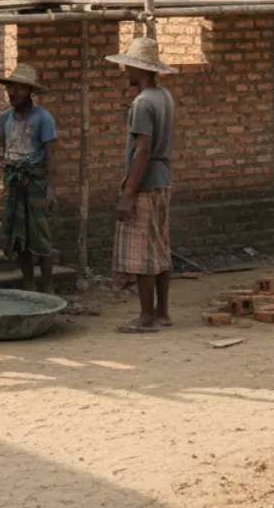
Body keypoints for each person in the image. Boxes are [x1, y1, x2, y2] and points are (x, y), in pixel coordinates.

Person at [106, 35, 177, 334]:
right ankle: (162, 311)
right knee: (160, 246)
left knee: (143, 252)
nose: (126, 71)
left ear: (141, 69)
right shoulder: (165, 97)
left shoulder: (142, 103)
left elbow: (142, 151)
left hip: (146, 182)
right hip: (164, 179)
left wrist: (128, 193)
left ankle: (146, 316)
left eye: (130, 66)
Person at [0, 64, 58, 292]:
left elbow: (51, 155)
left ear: (30, 91)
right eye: (10, 88)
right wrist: (6, 183)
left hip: (36, 182)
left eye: (19, 88)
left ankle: (48, 285)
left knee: (41, 236)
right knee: (19, 237)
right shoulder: (5, 118)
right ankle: (29, 284)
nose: (12, 93)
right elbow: (7, 151)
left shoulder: (43, 118)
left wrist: (50, 189)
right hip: (15, 183)